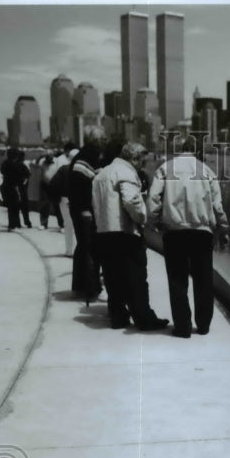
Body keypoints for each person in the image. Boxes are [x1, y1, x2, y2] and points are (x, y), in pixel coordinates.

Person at [146, 134, 230, 338]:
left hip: (174, 232)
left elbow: (153, 199)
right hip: (202, 232)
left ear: (178, 149)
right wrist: (223, 229)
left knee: (177, 279)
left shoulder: (166, 168)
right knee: (204, 279)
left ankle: (182, 327)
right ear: (197, 150)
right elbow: (217, 205)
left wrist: (154, 222)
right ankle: (203, 325)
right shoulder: (206, 170)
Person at [90, 141, 169, 331]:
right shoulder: (126, 173)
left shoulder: (101, 174)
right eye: (142, 161)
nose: (144, 165)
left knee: (112, 277)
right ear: (133, 158)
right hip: (125, 233)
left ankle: (118, 317)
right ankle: (144, 318)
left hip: (103, 231)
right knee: (137, 278)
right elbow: (132, 201)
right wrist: (144, 218)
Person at [68, 127, 106, 302]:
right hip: (84, 211)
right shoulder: (83, 161)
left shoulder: (86, 158)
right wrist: (85, 210)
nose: (104, 141)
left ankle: (79, 285)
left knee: (83, 247)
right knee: (91, 249)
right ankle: (92, 288)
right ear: (95, 141)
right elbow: (78, 190)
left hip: (83, 210)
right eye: (101, 139)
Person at [0, 148, 31, 231]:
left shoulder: (5, 163)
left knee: (11, 207)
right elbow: (26, 175)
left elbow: (2, 173)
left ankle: (12, 225)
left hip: (7, 188)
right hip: (17, 188)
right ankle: (15, 225)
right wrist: (23, 184)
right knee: (15, 207)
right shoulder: (19, 164)